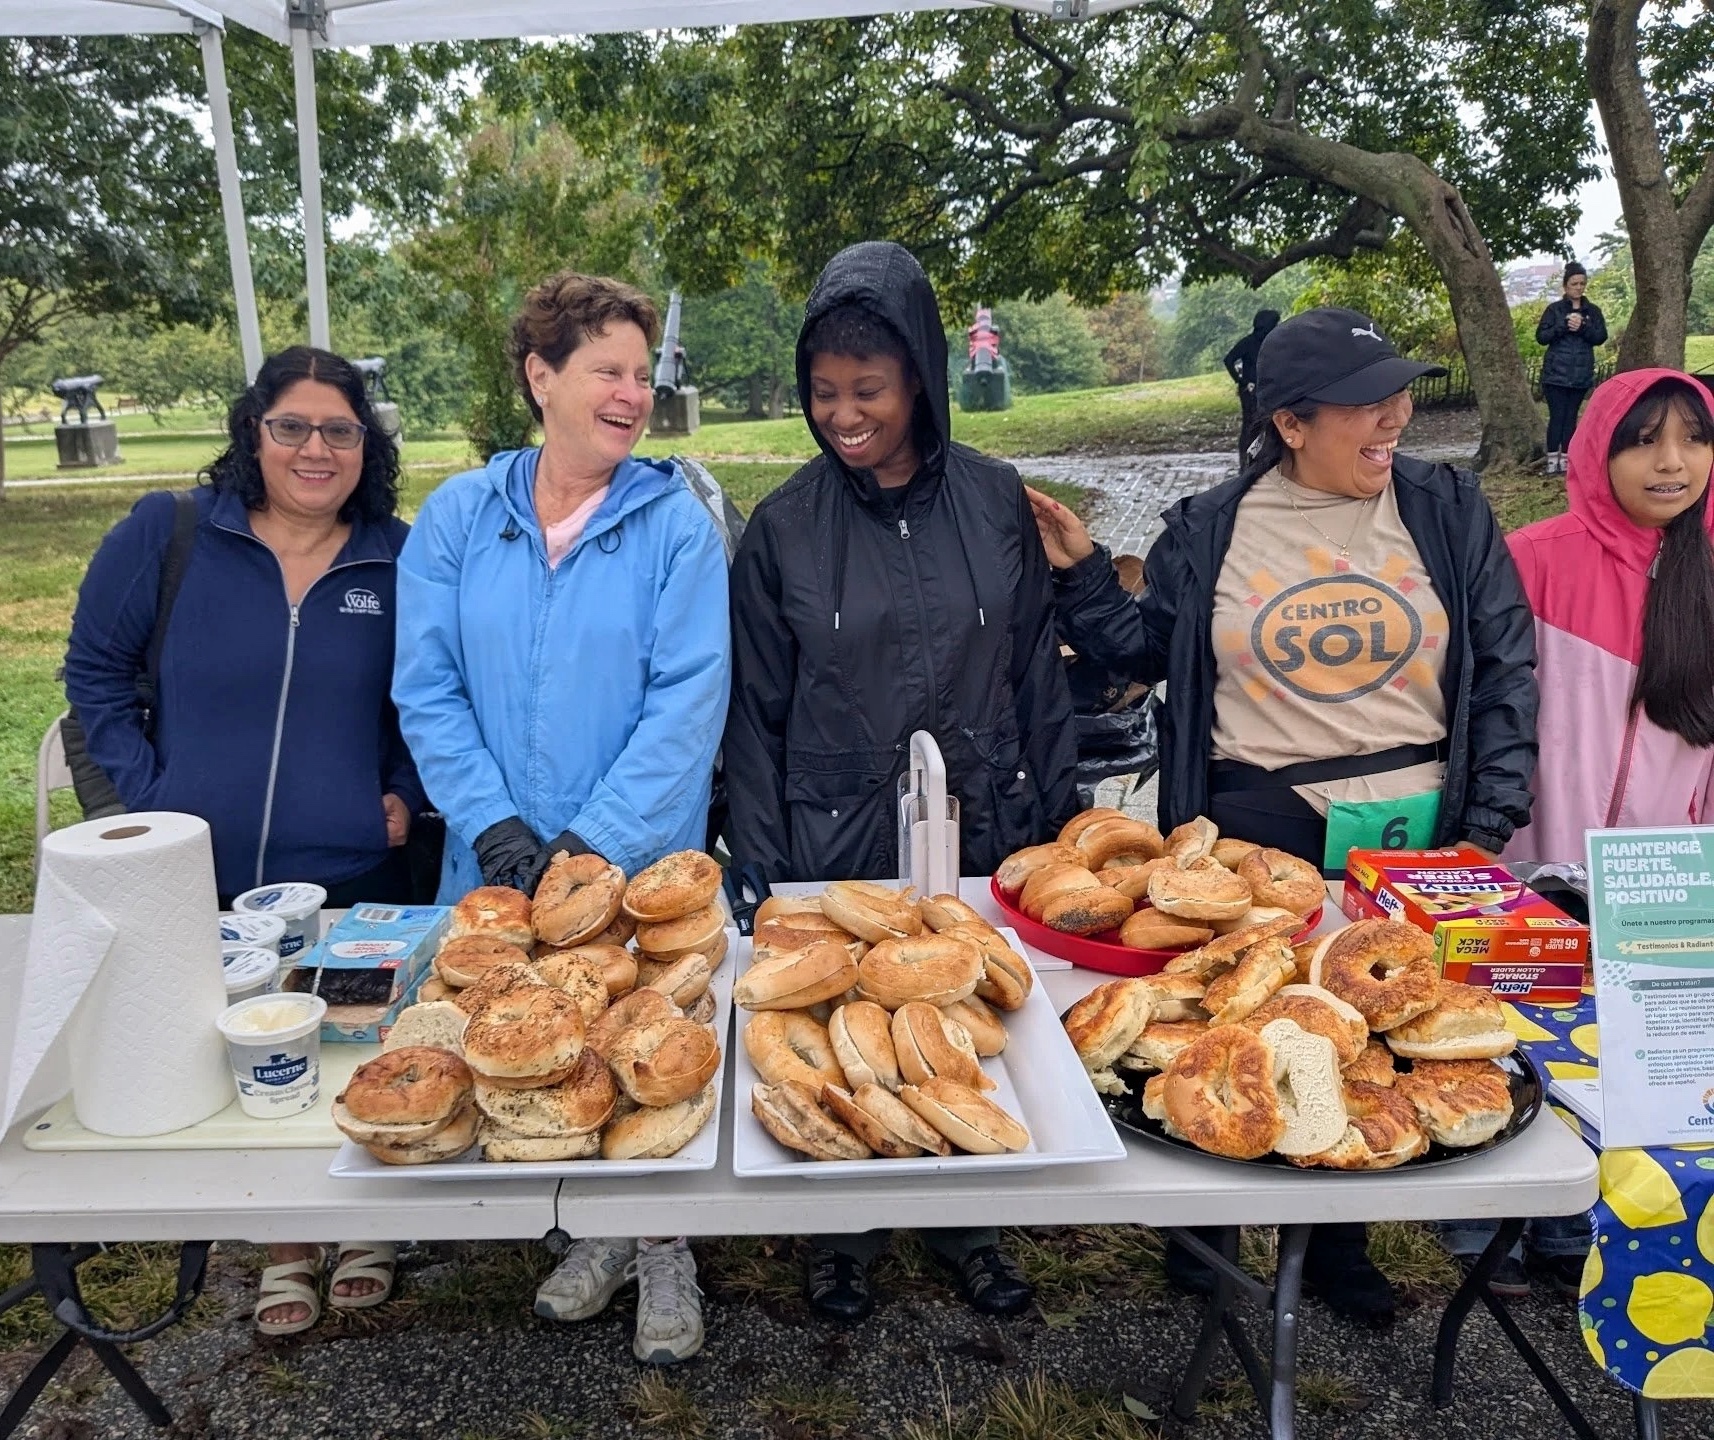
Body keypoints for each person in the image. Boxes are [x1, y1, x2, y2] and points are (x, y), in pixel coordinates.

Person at [1027, 306, 1539, 1325]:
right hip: (1255, 817)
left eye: (1398, 396)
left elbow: (1503, 657)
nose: (1394, 418)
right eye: (1367, 405)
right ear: (1293, 424)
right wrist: (1085, 570)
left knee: (1362, 1032)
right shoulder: (1211, 526)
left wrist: (1487, 815)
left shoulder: (1443, 507)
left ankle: (1337, 1243)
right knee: (1229, 1016)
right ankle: (1208, 1242)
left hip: (1409, 821)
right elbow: (1141, 655)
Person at [724, 240, 1079, 1321]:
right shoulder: (784, 527)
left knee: (957, 1025)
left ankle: (969, 1214)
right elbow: (754, 707)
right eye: (825, 394)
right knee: (850, 1033)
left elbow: (1032, 672)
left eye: (867, 390)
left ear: (920, 377)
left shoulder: (992, 500)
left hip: (978, 816)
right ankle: (840, 1229)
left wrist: (1054, 828)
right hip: (837, 836)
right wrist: (766, 862)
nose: (844, 414)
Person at [392, 271, 730, 1364]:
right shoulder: (455, 517)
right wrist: (493, 824)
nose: (633, 394)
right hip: (493, 866)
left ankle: (666, 1245)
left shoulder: (673, 525)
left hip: (631, 865)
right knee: (542, 1053)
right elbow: (426, 686)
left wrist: (594, 848)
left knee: (646, 1048)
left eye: (642, 374)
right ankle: (594, 1232)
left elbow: (689, 697)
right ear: (541, 378)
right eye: (608, 372)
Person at [64, 346, 424, 1335]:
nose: (316, 448)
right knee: (237, 1050)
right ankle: (284, 1242)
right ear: (253, 434)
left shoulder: (398, 557)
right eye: (292, 427)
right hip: (199, 881)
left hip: (353, 871)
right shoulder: (171, 534)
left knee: (353, 1047)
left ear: (365, 444)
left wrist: (398, 792)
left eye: (340, 430)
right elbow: (94, 673)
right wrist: (152, 806)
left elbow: (429, 696)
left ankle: (367, 1226)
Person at [1437, 370, 1714, 1299]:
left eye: (1692, 439)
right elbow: (1480, 706)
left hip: (1668, 876)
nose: (1671, 463)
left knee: (1634, 1052)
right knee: (1506, 1033)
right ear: (1597, 450)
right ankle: (1482, 1218)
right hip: (1530, 859)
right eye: (1643, 440)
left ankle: (1584, 1224)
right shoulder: (1534, 558)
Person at [1536, 262, 1608, 475]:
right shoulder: (1554, 310)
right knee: (1557, 417)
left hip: (1580, 374)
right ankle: (1551, 460)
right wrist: (1563, 326)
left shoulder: (1593, 311)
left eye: (1582, 283)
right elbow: (1542, 337)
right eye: (1574, 283)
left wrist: (1583, 327)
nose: (1578, 287)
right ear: (1565, 286)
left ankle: (1567, 459)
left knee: (1571, 418)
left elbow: (1600, 337)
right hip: (1556, 374)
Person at [1223, 309, 1281, 463]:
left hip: (1264, 389)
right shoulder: (1256, 343)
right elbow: (1229, 360)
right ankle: (1248, 459)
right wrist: (1241, 381)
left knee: (1260, 424)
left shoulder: (1264, 342)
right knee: (1252, 424)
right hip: (1251, 390)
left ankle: (1254, 457)